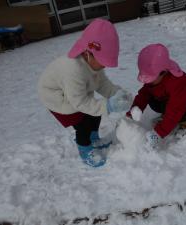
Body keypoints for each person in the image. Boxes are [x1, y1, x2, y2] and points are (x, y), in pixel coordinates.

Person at [38, 19, 131, 167]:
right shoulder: (73, 70)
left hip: (75, 93)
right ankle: (84, 148)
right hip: (57, 97)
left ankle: (93, 138)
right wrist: (108, 106)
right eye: (103, 61)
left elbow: (102, 83)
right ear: (88, 53)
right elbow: (79, 102)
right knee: (82, 122)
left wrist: (116, 94)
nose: (104, 65)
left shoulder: (93, 63)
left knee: (94, 114)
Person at [127, 43, 186, 148]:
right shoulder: (154, 79)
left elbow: (175, 108)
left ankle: (183, 123)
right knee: (153, 99)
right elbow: (143, 95)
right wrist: (131, 114)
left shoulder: (176, 82)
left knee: (176, 110)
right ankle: (167, 119)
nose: (148, 81)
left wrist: (158, 133)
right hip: (170, 97)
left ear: (163, 72)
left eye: (150, 78)